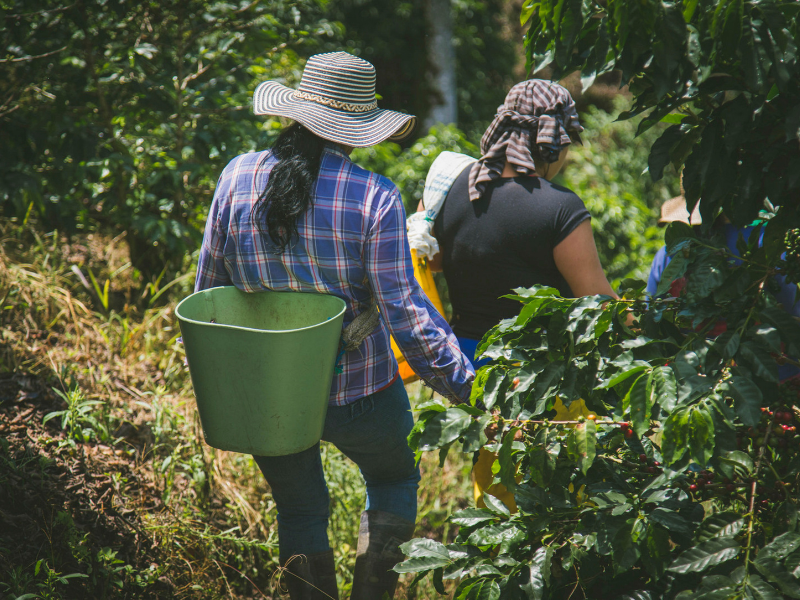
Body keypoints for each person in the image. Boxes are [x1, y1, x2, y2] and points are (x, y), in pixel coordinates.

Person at [194, 52, 474, 600]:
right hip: (360, 392)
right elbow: (406, 314)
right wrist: (467, 386)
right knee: (393, 478)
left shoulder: (236, 178)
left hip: (268, 391)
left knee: (299, 507)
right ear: (357, 129)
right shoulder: (374, 196)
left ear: (296, 112)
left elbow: (211, 296)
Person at [419, 80, 618, 369]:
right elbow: (600, 303)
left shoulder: (447, 185)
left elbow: (433, 261)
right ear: (555, 143)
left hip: (458, 362)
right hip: (528, 374)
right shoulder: (560, 206)